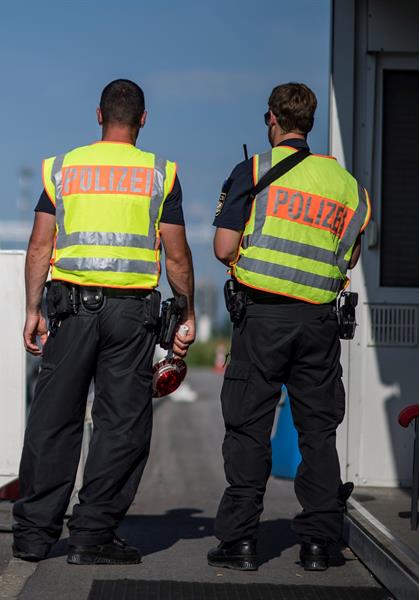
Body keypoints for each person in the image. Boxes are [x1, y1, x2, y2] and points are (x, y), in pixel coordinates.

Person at [12, 78, 196, 565]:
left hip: (70, 310)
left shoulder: (64, 168)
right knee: (120, 425)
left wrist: (32, 310)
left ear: (98, 115)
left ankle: (33, 536)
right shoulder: (160, 173)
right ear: (143, 120)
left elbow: (40, 244)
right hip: (131, 318)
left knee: (54, 420)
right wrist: (187, 312)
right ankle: (92, 535)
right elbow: (177, 255)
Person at [209, 83, 370, 572]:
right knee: (317, 432)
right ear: (310, 123)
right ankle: (319, 544)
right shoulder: (346, 185)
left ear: (272, 120)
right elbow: (349, 257)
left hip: (262, 319)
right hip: (318, 323)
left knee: (249, 428)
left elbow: (223, 247)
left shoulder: (254, 171)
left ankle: (240, 542)